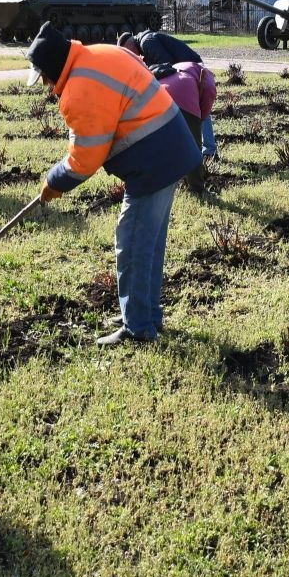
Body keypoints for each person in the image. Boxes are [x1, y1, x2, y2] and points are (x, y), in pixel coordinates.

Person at [32, 21, 201, 344]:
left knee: (133, 242)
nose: (44, 84)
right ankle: (143, 312)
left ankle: (138, 328)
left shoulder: (79, 88)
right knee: (148, 243)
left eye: (43, 76)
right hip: (172, 150)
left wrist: (53, 183)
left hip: (154, 163)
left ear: (54, 67)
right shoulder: (101, 52)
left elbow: (85, 159)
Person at [118, 30, 218, 160]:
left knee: (199, 111)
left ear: (129, 45)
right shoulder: (145, 42)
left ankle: (207, 150)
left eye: (128, 52)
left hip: (191, 71)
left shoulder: (147, 42)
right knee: (200, 111)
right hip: (188, 71)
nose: (131, 56)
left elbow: (165, 65)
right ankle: (207, 149)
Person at [146, 60, 217, 194]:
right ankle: (197, 189)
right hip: (183, 97)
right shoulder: (208, 77)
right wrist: (199, 118)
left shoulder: (182, 65)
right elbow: (208, 95)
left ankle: (160, 183)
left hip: (157, 97)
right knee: (193, 148)